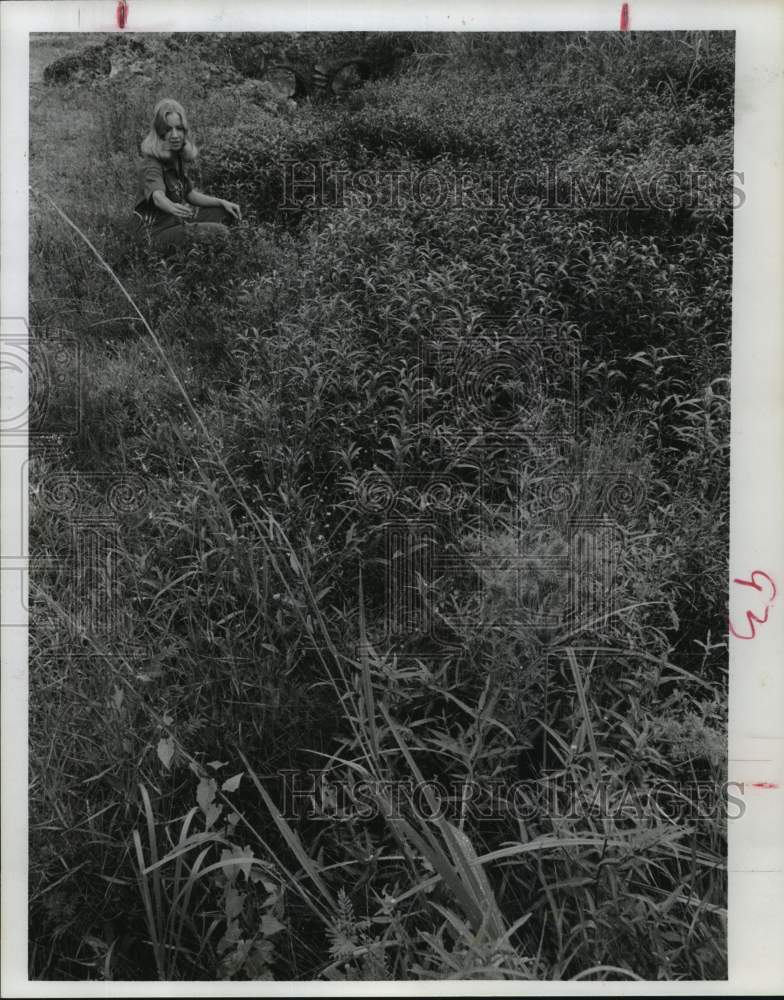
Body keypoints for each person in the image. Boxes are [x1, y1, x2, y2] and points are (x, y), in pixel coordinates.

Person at [133, 98, 242, 252]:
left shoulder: (175, 157)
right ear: (159, 133)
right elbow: (157, 196)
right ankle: (193, 267)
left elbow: (189, 194)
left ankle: (198, 258)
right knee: (220, 233)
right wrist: (171, 206)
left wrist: (221, 201)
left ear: (185, 131)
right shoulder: (151, 164)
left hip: (175, 224)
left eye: (179, 128)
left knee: (224, 212)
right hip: (154, 235)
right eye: (168, 129)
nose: (175, 135)